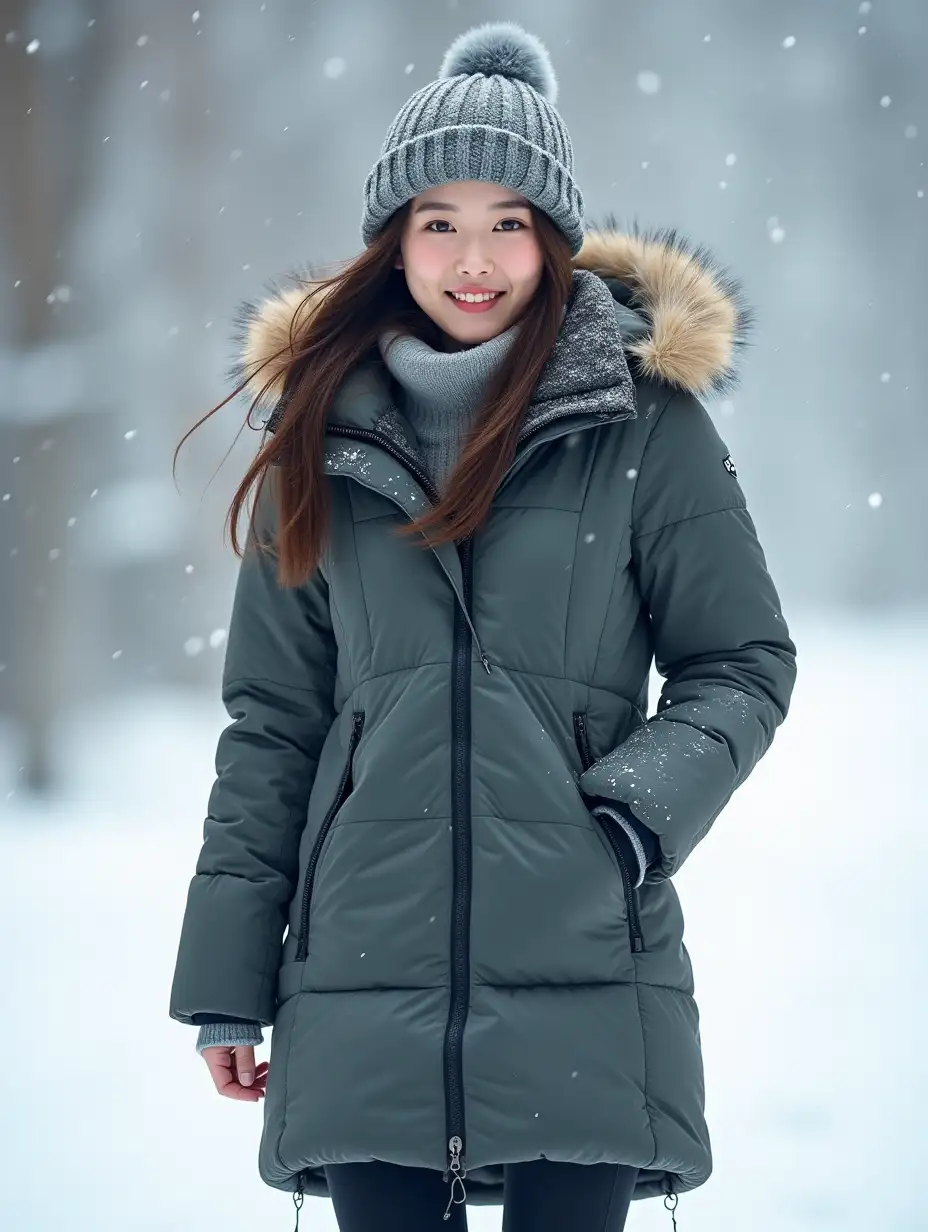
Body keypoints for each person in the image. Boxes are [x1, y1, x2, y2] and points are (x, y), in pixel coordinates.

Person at [168, 20, 797, 1232]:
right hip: (359, 975)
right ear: (393, 241)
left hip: (587, 969)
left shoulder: (642, 427)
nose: (473, 257)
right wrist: (226, 984)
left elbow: (742, 661)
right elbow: (274, 724)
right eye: (438, 221)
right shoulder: (318, 438)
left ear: (551, 240)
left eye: (507, 221)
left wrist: (622, 817)